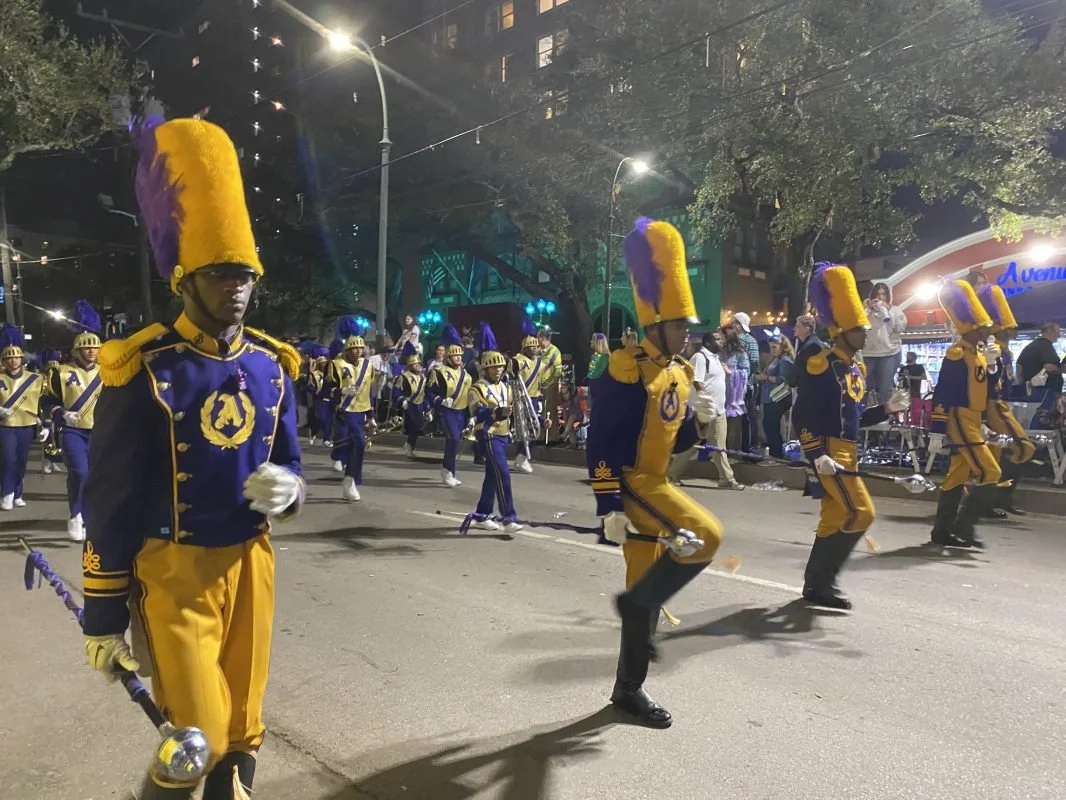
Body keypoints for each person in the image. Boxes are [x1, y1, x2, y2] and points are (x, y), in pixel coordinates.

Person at [82, 116, 304, 800]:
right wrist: (103, 612)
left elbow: (290, 462)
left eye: (245, 274)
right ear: (184, 278)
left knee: (241, 724)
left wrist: (287, 490)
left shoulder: (272, 366)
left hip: (251, 564)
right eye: (219, 274)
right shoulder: (141, 367)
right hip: (173, 568)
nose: (236, 288)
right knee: (197, 732)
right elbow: (111, 495)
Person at [588, 217, 724, 728]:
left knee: (643, 585)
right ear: (655, 325)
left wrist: (699, 424)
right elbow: (601, 440)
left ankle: (628, 690)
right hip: (631, 485)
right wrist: (606, 506)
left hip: (657, 482)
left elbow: (675, 441)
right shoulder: (623, 367)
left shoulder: (679, 372)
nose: (687, 333)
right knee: (708, 536)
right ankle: (636, 609)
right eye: (679, 325)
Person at [794, 263, 907, 609]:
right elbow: (801, 415)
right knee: (861, 512)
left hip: (848, 452)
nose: (865, 334)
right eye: (859, 329)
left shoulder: (855, 368)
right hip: (829, 453)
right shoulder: (822, 364)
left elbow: (855, 417)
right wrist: (815, 455)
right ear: (841, 331)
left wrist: (886, 409)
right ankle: (824, 582)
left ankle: (816, 587)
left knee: (833, 518)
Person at [928, 280, 1000, 549]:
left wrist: (993, 368)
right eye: (983, 326)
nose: (987, 330)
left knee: (957, 475)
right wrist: (937, 428)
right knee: (989, 470)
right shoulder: (956, 353)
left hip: (972, 419)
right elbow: (944, 392)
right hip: (959, 418)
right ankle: (964, 527)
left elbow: (985, 390)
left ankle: (942, 530)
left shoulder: (979, 355)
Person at [43, 300, 103, 541]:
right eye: (86, 348)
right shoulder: (59, 372)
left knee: (98, 477)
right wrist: (61, 414)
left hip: (101, 431)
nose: (91, 351)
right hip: (73, 430)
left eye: (94, 348)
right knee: (79, 472)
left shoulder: (108, 371)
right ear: (77, 350)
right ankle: (76, 515)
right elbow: (46, 401)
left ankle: (90, 516)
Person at [976, 284, 1035, 517]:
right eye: (1009, 326)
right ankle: (991, 501)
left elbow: (1005, 384)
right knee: (1021, 448)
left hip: (1000, 406)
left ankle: (995, 500)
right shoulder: (992, 350)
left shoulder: (1004, 350)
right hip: (991, 408)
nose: (1015, 329)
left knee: (1000, 455)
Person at [668, 331, 743, 490]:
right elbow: (697, 381)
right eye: (717, 339)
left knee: (710, 446)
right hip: (705, 411)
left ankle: (672, 474)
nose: (721, 341)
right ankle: (727, 479)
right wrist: (704, 401)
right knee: (715, 447)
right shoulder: (700, 358)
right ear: (708, 343)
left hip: (719, 410)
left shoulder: (715, 359)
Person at [467, 322, 523, 532]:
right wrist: (495, 413)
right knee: (503, 474)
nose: (499, 371)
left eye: (500, 367)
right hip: (487, 434)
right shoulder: (477, 388)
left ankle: (481, 515)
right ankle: (508, 517)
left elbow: (511, 410)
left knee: (492, 476)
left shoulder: (505, 387)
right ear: (486, 369)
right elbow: (476, 411)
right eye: (494, 367)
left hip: (503, 433)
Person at [0, 326, 48, 510]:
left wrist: (46, 425)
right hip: (5, 425)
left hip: (27, 424)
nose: (13, 361)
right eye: (9, 358)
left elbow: (42, 403)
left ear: (22, 359)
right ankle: (7, 492)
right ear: (4, 361)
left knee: (21, 461)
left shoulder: (36, 379)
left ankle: (17, 492)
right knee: (8, 458)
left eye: (16, 357)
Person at [326, 324, 375, 503]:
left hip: (360, 411)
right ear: (347, 349)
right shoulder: (336, 365)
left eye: (360, 347)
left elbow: (369, 391)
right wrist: (341, 391)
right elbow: (326, 391)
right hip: (344, 411)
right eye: (354, 348)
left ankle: (350, 478)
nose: (358, 351)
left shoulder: (368, 366)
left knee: (359, 445)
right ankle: (350, 477)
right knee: (355, 443)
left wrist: (371, 416)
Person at [427, 324, 472, 487]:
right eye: (455, 356)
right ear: (448, 357)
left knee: (455, 441)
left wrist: (472, 415)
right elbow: (429, 393)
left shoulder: (466, 375)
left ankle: (450, 471)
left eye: (460, 355)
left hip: (461, 411)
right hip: (447, 411)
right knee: (452, 438)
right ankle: (447, 470)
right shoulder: (438, 372)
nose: (459, 358)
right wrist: (440, 401)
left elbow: (470, 395)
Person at [861, 282, 908, 405]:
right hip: (868, 353)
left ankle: (884, 417)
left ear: (888, 296)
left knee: (885, 388)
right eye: (878, 294)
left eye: (883, 294)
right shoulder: (866, 310)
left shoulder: (896, 310)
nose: (881, 297)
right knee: (864, 386)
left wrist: (888, 312)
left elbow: (899, 328)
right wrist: (868, 309)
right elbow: (860, 326)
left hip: (889, 353)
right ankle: (863, 415)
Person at [511, 319, 546, 474]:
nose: (533, 350)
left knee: (534, 429)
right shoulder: (517, 361)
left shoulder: (540, 363)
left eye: (535, 347)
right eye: (530, 347)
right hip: (521, 398)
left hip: (535, 397)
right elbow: (509, 378)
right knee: (527, 429)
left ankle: (521, 455)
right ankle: (523, 455)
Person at [755, 336, 794, 458]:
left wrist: (765, 377)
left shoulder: (785, 361)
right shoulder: (775, 360)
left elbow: (784, 379)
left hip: (777, 398)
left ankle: (776, 455)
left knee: (771, 426)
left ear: (783, 347)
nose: (772, 350)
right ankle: (776, 453)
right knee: (770, 426)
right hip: (769, 397)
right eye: (770, 347)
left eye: (774, 347)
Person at [729, 312, 761, 454]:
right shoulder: (739, 340)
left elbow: (754, 363)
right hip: (737, 384)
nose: (733, 325)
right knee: (744, 418)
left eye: (735, 323)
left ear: (740, 325)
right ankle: (743, 447)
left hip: (745, 385)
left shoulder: (749, 341)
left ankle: (749, 447)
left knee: (747, 417)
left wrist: (744, 377)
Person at [393, 341, 428, 458]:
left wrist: (427, 407)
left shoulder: (423, 377)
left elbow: (425, 393)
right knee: (415, 425)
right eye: (414, 364)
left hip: (420, 404)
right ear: (410, 365)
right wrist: (402, 400)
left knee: (419, 427)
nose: (417, 366)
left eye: (418, 363)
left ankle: (410, 445)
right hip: (409, 404)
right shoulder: (404, 377)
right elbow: (396, 391)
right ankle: (409, 445)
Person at [720, 325, 749, 451]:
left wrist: (730, 372)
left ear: (728, 336)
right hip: (720, 393)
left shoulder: (740, 353)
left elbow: (746, 372)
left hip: (734, 397)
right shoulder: (718, 351)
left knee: (733, 426)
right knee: (721, 426)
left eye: (721, 335)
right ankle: (720, 452)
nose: (719, 338)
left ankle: (733, 453)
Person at [1016, 322, 1062, 399]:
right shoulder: (1046, 346)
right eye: (1057, 332)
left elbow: (1019, 368)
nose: (1059, 335)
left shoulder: (1030, 346)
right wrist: (1061, 369)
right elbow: (1048, 367)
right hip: (1046, 394)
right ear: (1049, 331)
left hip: (1031, 393)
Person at [538, 327, 563, 443]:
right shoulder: (538, 351)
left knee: (551, 411)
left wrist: (555, 384)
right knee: (540, 410)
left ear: (543, 338)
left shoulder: (554, 351)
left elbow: (558, 369)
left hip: (550, 385)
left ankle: (553, 437)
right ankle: (541, 436)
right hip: (538, 386)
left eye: (538, 338)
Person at [789, 313, 823, 388]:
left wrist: (792, 381)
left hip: (809, 389)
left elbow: (800, 369)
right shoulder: (809, 343)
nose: (794, 329)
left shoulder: (811, 346)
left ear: (807, 328)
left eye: (798, 326)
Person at [898, 351, 931, 427]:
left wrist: (911, 377)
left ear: (914, 358)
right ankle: (905, 422)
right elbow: (899, 379)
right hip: (904, 390)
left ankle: (914, 422)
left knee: (914, 407)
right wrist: (904, 376)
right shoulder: (904, 368)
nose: (907, 357)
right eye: (907, 356)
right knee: (904, 407)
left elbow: (924, 377)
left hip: (915, 389)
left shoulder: (919, 367)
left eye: (909, 356)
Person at [306, 350, 330, 446]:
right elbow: (309, 386)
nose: (323, 365)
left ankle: (326, 439)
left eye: (325, 363)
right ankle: (313, 432)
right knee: (321, 419)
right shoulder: (314, 374)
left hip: (329, 398)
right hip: (319, 399)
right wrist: (316, 391)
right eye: (321, 364)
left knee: (329, 420)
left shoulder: (330, 374)